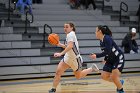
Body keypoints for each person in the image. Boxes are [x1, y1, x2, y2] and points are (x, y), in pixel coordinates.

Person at [49, 22, 99, 93]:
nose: (65, 28)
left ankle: (92, 68)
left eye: (67, 27)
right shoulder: (69, 35)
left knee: (78, 76)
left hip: (75, 59)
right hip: (67, 58)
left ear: (71, 28)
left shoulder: (71, 34)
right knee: (58, 72)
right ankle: (53, 89)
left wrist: (61, 53)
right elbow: (69, 46)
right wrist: (60, 44)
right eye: (64, 27)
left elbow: (70, 46)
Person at [90, 25, 125, 93]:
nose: (95, 33)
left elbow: (108, 51)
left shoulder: (107, 38)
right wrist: (105, 59)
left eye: (95, 31)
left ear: (99, 31)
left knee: (114, 77)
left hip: (118, 58)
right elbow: (106, 51)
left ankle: (120, 90)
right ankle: (119, 82)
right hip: (110, 59)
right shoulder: (101, 41)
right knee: (104, 76)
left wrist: (96, 56)